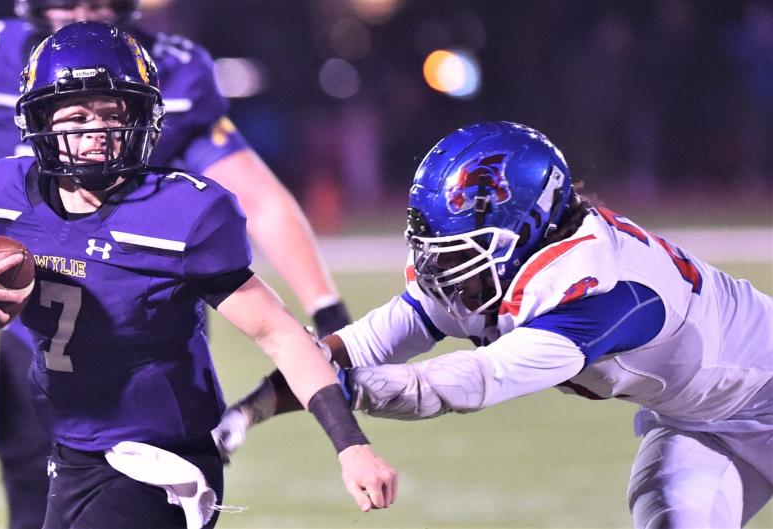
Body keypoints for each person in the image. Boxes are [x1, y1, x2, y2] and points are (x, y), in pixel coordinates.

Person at [0, 22, 397, 529]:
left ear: (143, 116)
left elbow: (277, 333)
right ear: (43, 123)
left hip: (161, 462)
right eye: (75, 117)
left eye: (110, 113)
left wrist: (351, 444)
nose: (95, 132)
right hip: (72, 454)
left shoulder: (181, 213)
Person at [216, 121, 773, 527]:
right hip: (699, 423)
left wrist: (349, 392)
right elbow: (358, 346)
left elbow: (475, 380)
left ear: (527, 229)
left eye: (460, 253)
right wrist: (246, 413)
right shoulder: (498, 272)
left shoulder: (605, 288)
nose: (443, 273)